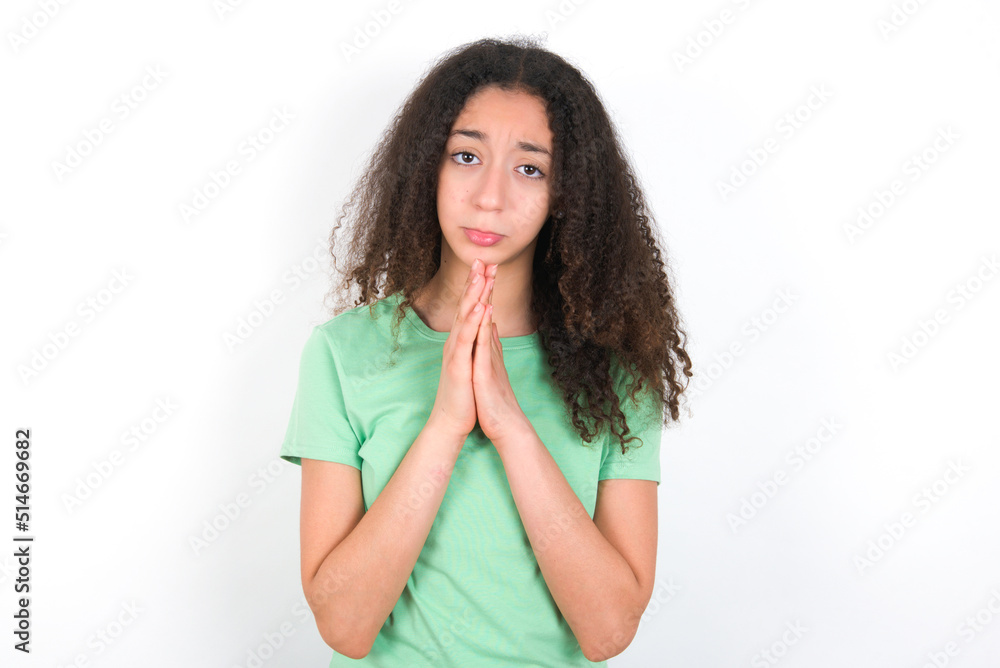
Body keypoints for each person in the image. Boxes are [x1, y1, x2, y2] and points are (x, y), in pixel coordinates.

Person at [279, 35, 692, 667]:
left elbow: (609, 630)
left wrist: (508, 425)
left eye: (530, 168)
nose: (490, 197)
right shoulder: (342, 352)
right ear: (427, 166)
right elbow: (344, 625)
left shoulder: (617, 370)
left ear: (568, 194)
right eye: (466, 156)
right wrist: (445, 425)